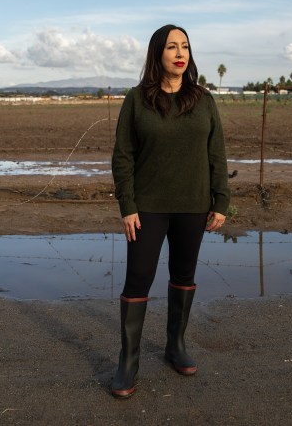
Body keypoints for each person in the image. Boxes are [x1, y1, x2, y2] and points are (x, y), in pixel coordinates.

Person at [110, 24, 230, 398]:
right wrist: (127, 206)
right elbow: (123, 156)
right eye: (172, 47)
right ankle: (128, 362)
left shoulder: (203, 100)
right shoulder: (137, 99)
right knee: (138, 280)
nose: (180, 53)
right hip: (147, 209)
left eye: (186, 47)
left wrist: (220, 200)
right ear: (157, 54)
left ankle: (174, 346)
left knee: (183, 275)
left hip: (193, 206)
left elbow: (217, 153)